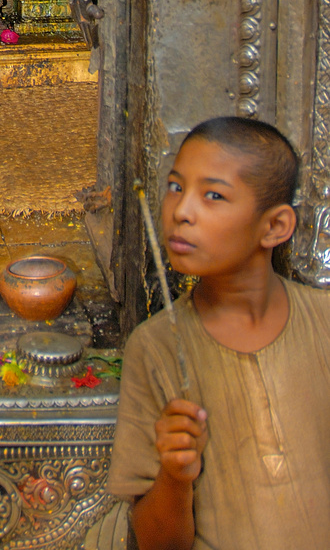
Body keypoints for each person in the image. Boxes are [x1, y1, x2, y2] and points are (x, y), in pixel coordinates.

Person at [107, 116, 330, 550]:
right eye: (175, 187)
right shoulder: (155, 350)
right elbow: (158, 544)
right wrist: (175, 475)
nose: (181, 212)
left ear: (275, 227)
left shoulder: (324, 323)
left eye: (213, 195)